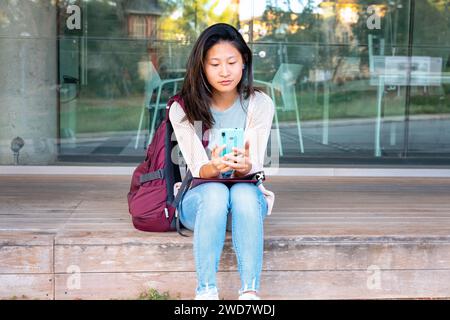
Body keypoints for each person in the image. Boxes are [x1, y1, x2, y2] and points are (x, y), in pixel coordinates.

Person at [169, 23, 275, 300]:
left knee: (242, 191)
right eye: (214, 64)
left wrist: (247, 165)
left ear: (244, 63)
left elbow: (256, 166)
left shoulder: (259, 103)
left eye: (231, 62)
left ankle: (250, 292)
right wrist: (213, 166)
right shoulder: (183, 107)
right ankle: (206, 292)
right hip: (202, 207)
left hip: (245, 209)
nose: (225, 71)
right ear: (201, 67)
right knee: (215, 191)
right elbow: (197, 168)